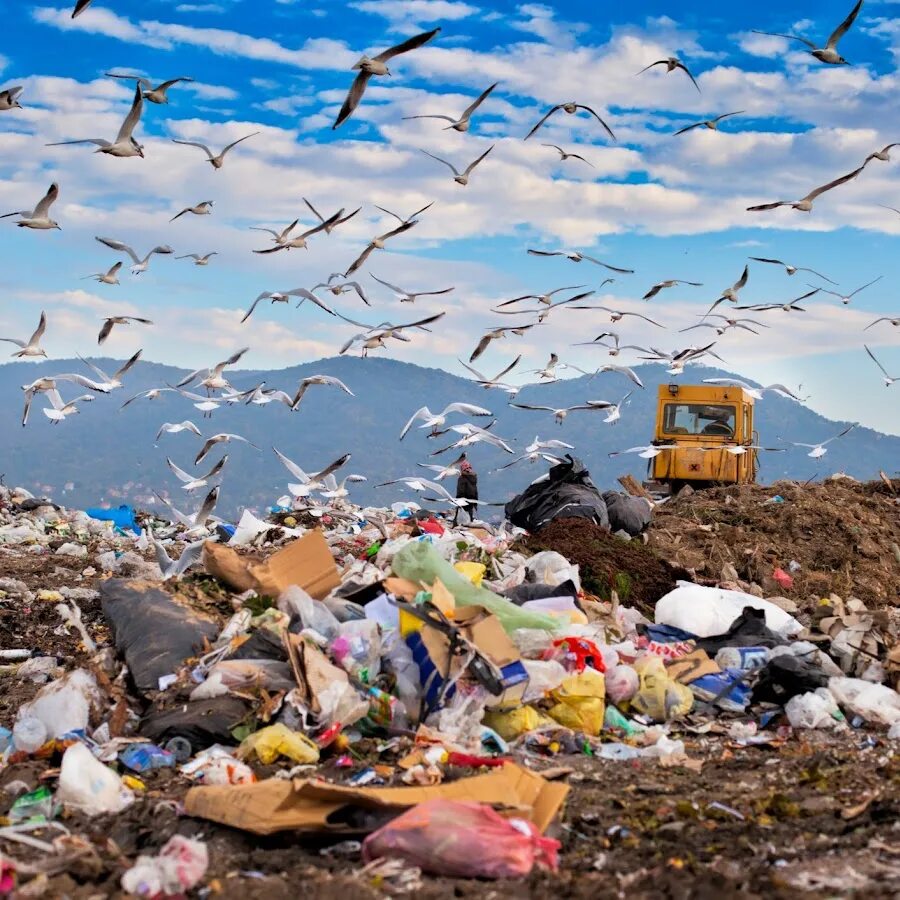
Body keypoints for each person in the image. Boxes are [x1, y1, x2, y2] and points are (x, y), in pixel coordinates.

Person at [453, 459, 478, 525]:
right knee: (469, 517)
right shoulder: (473, 477)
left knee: (459, 518)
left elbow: (460, 491)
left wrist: (458, 501)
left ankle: (456, 525)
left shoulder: (462, 478)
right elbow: (475, 490)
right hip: (472, 501)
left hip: (463, 501)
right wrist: (475, 503)